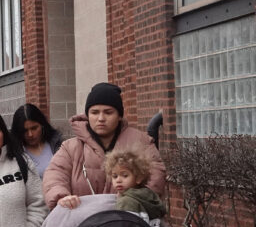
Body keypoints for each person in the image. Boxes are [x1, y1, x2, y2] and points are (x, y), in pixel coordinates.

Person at [42, 82, 165, 210]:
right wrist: (62, 197)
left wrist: (136, 200)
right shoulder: (70, 147)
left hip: (129, 218)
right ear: (87, 115)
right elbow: (55, 174)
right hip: (82, 222)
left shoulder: (140, 142)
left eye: (108, 112)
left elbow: (155, 175)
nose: (101, 118)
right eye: (94, 112)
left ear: (119, 116)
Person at [106, 148, 168, 220]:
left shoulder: (126, 202)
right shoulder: (149, 196)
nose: (118, 180)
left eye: (125, 175)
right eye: (115, 176)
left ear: (139, 178)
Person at [11, 103, 63, 175]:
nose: (30, 134)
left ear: (42, 125)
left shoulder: (57, 144)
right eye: (25, 130)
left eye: (34, 128)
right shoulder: (15, 153)